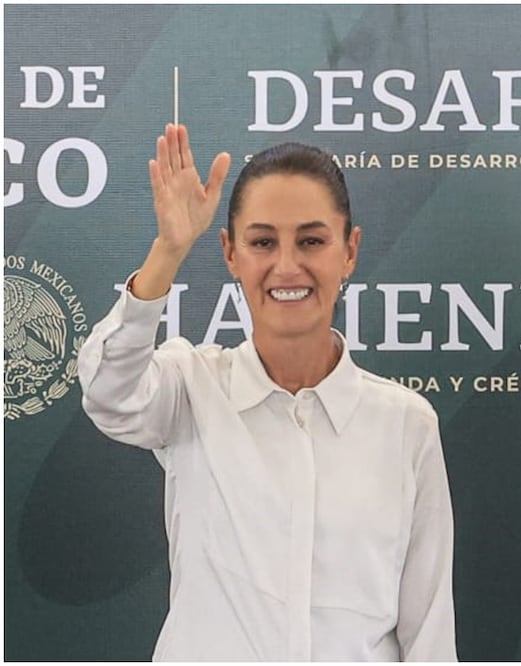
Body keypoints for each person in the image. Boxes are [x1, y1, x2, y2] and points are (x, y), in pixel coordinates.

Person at [78, 124, 457, 661]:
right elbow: (107, 393)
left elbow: (430, 635)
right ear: (230, 253)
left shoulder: (407, 424)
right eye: (262, 242)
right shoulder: (191, 388)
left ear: (349, 251)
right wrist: (169, 250)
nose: (286, 266)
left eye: (311, 241)